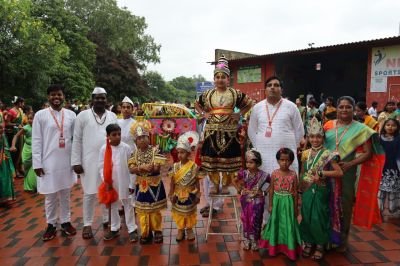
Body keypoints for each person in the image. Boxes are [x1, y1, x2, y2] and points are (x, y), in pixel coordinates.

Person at [323, 96, 385, 251]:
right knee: (325, 204)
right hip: (326, 170)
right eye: (341, 106)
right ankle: (324, 238)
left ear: (354, 109)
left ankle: (341, 241)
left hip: (347, 173)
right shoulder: (328, 125)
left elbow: (368, 153)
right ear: (336, 108)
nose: (344, 109)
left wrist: (349, 164)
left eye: (348, 107)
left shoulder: (362, 129)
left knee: (344, 205)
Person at [195, 56, 253, 194]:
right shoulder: (208, 94)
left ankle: (226, 185)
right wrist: (204, 114)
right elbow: (197, 104)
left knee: (229, 159)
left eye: (223, 77)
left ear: (228, 79)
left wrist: (239, 114)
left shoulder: (234, 93)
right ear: (214, 79)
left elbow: (249, 103)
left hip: (230, 132)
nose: (220, 79)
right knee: (212, 161)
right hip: (212, 132)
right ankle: (215, 186)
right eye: (217, 77)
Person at [71, 87, 118, 239]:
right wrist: (76, 161)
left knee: (107, 189)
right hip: (88, 160)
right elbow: (76, 139)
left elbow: (116, 138)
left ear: (106, 99)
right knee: (89, 193)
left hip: (108, 160)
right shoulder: (82, 116)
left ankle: (106, 219)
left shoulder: (112, 116)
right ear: (92, 99)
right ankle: (87, 224)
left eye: (102, 98)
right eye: (97, 98)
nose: (100, 100)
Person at [32, 84, 77, 241]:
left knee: (65, 193)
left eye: (59, 94)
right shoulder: (40, 115)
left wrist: (76, 160)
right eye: (53, 95)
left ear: (63, 96)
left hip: (66, 160)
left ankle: (65, 222)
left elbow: (76, 139)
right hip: (48, 161)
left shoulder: (71, 115)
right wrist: (37, 163)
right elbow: (36, 140)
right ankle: (51, 224)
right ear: (48, 97)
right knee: (50, 195)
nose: (56, 98)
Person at [299, 117, 343, 260]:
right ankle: (309, 242)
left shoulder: (328, 154)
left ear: (323, 138)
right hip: (307, 190)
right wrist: (301, 188)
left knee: (320, 217)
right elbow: (302, 172)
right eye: (312, 136)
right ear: (308, 137)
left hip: (321, 190)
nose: (315, 139)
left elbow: (339, 172)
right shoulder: (305, 154)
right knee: (306, 216)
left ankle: (320, 245)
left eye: (318, 136)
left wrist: (322, 173)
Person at [248, 76, 304, 176]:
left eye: (276, 85)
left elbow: (299, 130)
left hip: (285, 154)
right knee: (264, 183)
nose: (272, 87)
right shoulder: (257, 108)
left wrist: (290, 145)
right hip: (263, 152)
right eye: (269, 85)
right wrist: (259, 145)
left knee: (287, 185)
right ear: (265, 90)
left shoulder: (291, 107)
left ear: (281, 90)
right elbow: (251, 130)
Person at [128, 120, 167, 244]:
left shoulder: (156, 151)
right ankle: (146, 232)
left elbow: (156, 168)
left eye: (144, 137)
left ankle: (158, 230)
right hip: (141, 184)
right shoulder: (134, 153)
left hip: (154, 184)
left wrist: (152, 167)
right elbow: (131, 169)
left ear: (149, 137)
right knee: (142, 210)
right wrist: (141, 168)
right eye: (139, 138)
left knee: (154, 210)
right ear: (135, 142)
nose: (142, 140)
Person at [259, 148, 301, 261]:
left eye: (287, 160)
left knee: (289, 223)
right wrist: (271, 205)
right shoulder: (274, 173)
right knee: (276, 222)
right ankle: (274, 247)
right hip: (277, 202)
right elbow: (271, 190)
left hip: (288, 202)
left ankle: (289, 248)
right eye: (282, 160)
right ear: (278, 160)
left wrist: (296, 207)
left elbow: (295, 192)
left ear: (291, 161)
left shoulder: (293, 174)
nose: (284, 162)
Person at [98, 124, 138, 242]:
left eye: (119, 134)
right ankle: (115, 227)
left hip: (125, 180)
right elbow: (101, 166)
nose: (117, 137)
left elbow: (132, 166)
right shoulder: (103, 149)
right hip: (111, 182)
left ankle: (132, 229)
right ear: (108, 136)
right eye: (114, 135)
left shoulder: (126, 148)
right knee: (113, 205)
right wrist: (105, 180)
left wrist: (132, 183)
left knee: (128, 204)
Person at [234, 149, 269, 251]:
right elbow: (234, 180)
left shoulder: (264, 175)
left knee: (257, 220)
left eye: (251, 162)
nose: (248, 165)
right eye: (247, 162)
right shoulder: (243, 173)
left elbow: (272, 184)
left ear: (258, 163)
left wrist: (264, 192)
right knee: (246, 219)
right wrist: (239, 190)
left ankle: (255, 240)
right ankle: (246, 240)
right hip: (245, 200)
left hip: (258, 201)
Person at [168, 133, 200, 242]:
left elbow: (197, 181)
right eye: (178, 152)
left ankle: (189, 229)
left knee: (190, 212)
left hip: (190, 193)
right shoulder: (175, 166)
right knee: (179, 213)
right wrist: (171, 194)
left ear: (188, 153)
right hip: (178, 194)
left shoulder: (194, 166)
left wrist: (198, 194)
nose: (180, 155)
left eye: (182, 152)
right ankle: (180, 229)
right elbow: (172, 181)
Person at [378, 119, 400, 215]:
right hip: (381, 169)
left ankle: (393, 209)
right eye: (388, 125)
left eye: (393, 125)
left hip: (394, 169)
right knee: (380, 191)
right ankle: (378, 209)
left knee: (393, 190)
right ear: (384, 126)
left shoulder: (398, 138)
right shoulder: (379, 139)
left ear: (397, 127)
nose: (390, 127)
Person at [10, 112, 37, 192]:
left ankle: (33, 186)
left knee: (34, 168)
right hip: (27, 150)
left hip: (36, 150)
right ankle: (28, 185)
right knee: (26, 168)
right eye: (28, 118)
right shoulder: (26, 128)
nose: (29, 120)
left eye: (31, 118)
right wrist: (13, 145)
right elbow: (16, 136)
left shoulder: (39, 127)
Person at [5, 96, 25, 177]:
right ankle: (15, 170)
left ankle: (20, 168)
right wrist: (16, 124)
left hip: (20, 133)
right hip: (13, 134)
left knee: (20, 151)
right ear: (19, 103)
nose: (23, 104)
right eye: (22, 102)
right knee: (15, 152)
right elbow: (7, 123)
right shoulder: (11, 112)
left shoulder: (20, 110)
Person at [0, 123, 16, 206]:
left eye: (2, 128)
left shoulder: (3, 136)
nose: (2, 130)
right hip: (2, 159)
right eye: (0, 128)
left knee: (6, 178)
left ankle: (5, 198)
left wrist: (10, 149)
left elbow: (5, 147)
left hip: (4, 160)